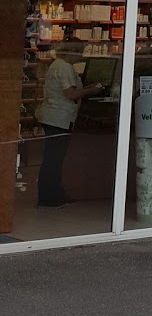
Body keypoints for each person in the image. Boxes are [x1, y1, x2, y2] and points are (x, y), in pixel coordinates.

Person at [36, 45, 102, 207]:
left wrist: (84, 89)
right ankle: (49, 198)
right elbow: (71, 94)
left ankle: (51, 195)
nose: (80, 55)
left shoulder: (58, 65)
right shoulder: (64, 67)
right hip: (58, 118)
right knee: (54, 159)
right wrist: (92, 90)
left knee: (52, 158)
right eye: (78, 51)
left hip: (53, 116)